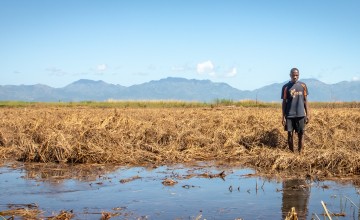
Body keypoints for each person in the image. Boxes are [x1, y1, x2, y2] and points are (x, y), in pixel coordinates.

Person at [281, 68, 310, 153]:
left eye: (296, 75)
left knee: (301, 134)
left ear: (299, 75)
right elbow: (284, 102)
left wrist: (308, 114)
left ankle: (300, 152)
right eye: (293, 75)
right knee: (290, 134)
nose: (295, 77)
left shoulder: (303, 85)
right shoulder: (286, 87)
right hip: (289, 115)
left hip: (301, 115)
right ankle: (291, 153)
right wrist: (283, 116)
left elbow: (305, 100)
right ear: (290, 75)